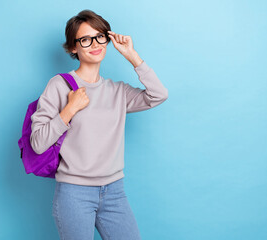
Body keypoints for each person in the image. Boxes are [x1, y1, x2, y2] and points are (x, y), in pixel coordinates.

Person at [30, 9, 168, 240]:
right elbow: (38, 143)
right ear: (74, 47)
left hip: (115, 191)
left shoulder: (117, 91)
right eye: (85, 39)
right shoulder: (59, 85)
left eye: (99, 36)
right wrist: (69, 110)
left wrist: (132, 55)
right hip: (74, 194)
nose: (95, 44)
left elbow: (158, 95)